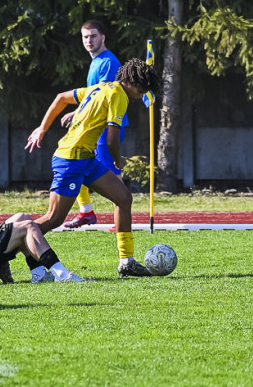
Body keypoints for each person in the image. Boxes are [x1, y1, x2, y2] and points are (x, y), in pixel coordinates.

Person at [26, 58, 160, 277]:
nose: (141, 94)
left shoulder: (101, 87)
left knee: (124, 198)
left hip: (87, 159)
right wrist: (118, 160)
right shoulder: (119, 96)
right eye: (142, 88)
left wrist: (43, 128)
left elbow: (61, 98)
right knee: (53, 218)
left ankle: (127, 262)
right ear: (132, 82)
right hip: (71, 160)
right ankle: (5, 247)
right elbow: (111, 140)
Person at [61, 20, 128, 229]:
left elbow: (106, 99)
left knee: (113, 175)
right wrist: (76, 111)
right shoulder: (96, 61)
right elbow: (93, 96)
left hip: (106, 128)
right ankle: (86, 212)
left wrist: (78, 112)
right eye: (85, 37)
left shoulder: (108, 62)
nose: (89, 40)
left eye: (93, 36)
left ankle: (122, 219)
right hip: (93, 127)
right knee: (75, 160)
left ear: (103, 37)